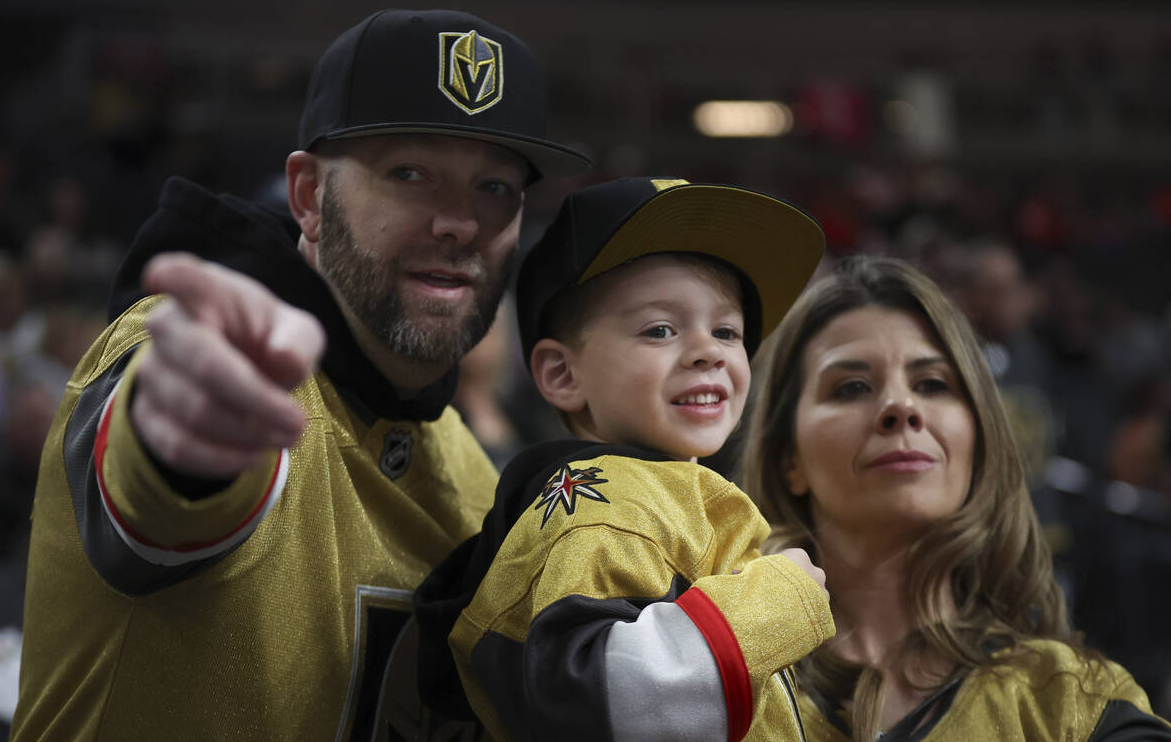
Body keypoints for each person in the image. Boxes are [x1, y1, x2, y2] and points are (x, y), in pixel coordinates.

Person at [10, 8, 590, 742]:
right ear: (310, 197)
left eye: (496, 188)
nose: (460, 223)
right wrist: (180, 446)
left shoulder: (469, 475)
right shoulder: (195, 354)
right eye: (410, 173)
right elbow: (159, 482)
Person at [414, 177, 836, 742]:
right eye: (660, 330)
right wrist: (773, 606)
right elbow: (589, 703)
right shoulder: (603, 504)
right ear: (563, 374)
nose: (708, 351)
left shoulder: (662, 491)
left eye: (727, 330)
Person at [737, 255, 1171, 742]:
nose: (901, 406)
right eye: (852, 387)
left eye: (933, 384)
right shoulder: (712, 678)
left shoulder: (1072, 702)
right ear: (788, 459)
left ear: (978, 438)